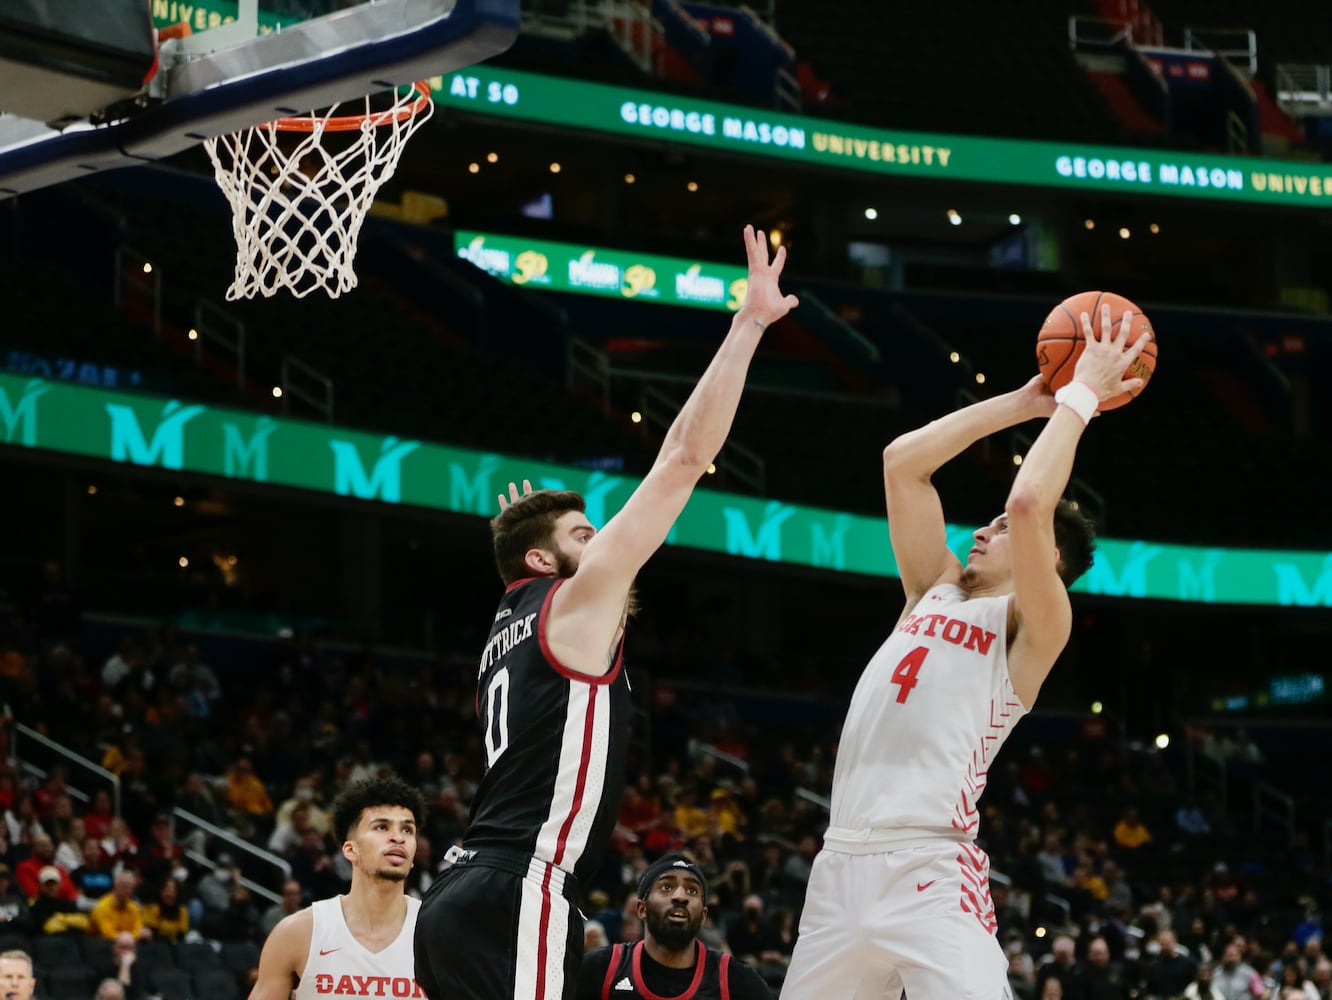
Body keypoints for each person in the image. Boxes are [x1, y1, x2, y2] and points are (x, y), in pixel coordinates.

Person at [414, 225, 799, 1000]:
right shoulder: (573, 599)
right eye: (583, 534)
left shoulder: (510, 621)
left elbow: (532, 568)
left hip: (463, 893)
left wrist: (538, 534)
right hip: (519, 888)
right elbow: (684, 459)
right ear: (541, 561)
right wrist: (747, 324)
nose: (604, 543)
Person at [780, 305, 1150, 999]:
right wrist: (1025, 402)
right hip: (838, 868)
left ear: (1047, 561)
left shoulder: (1033, 625)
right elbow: (903, 465)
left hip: (929, 869)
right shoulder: (934, 589)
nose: (983, 530)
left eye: (998, 529)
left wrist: (1080, 396)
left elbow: (1032, 499)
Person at [249, 775, 424, 1000]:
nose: (398, 838)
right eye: (382, 827)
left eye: (407, 830)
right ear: (350, 850)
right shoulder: (298, 932)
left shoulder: (438, 934)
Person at [576, 855, 772, 1000]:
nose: (680, 896)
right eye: (667, 887)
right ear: (642, 909)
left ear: (703, 916)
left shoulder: (735, 980)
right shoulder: (600, 968)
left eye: (692, 890)